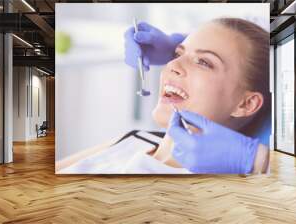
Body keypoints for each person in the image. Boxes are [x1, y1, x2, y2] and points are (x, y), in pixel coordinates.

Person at [57, 17, 270, 174]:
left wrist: (258, 160)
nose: (172, 64)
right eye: (178, 53)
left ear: (246, 103)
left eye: (204, 62)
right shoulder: (137, 138)